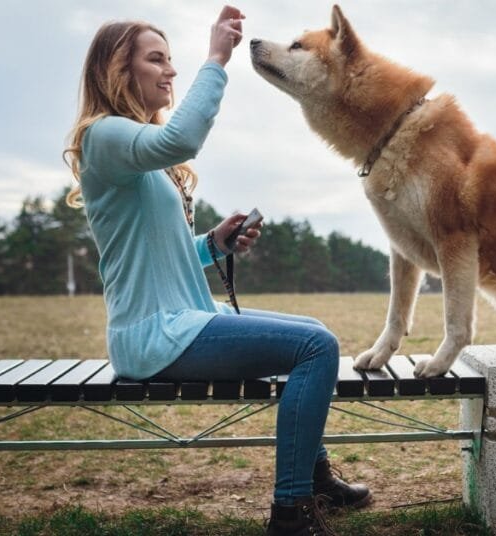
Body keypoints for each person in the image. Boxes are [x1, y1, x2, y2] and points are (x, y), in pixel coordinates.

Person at [62, 7, 369, 535]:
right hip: (156, 335)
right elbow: (181, 141)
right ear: (118, 70)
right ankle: (291, 511)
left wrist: (212, 243)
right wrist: (217, 59)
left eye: (171, 59)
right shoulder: (103, 135)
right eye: (156, 59)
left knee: (315, 334)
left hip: (178, 325)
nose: (171, 71)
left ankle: (315, 480)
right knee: (316, 349)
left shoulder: (130, 147)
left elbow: (162, 250)